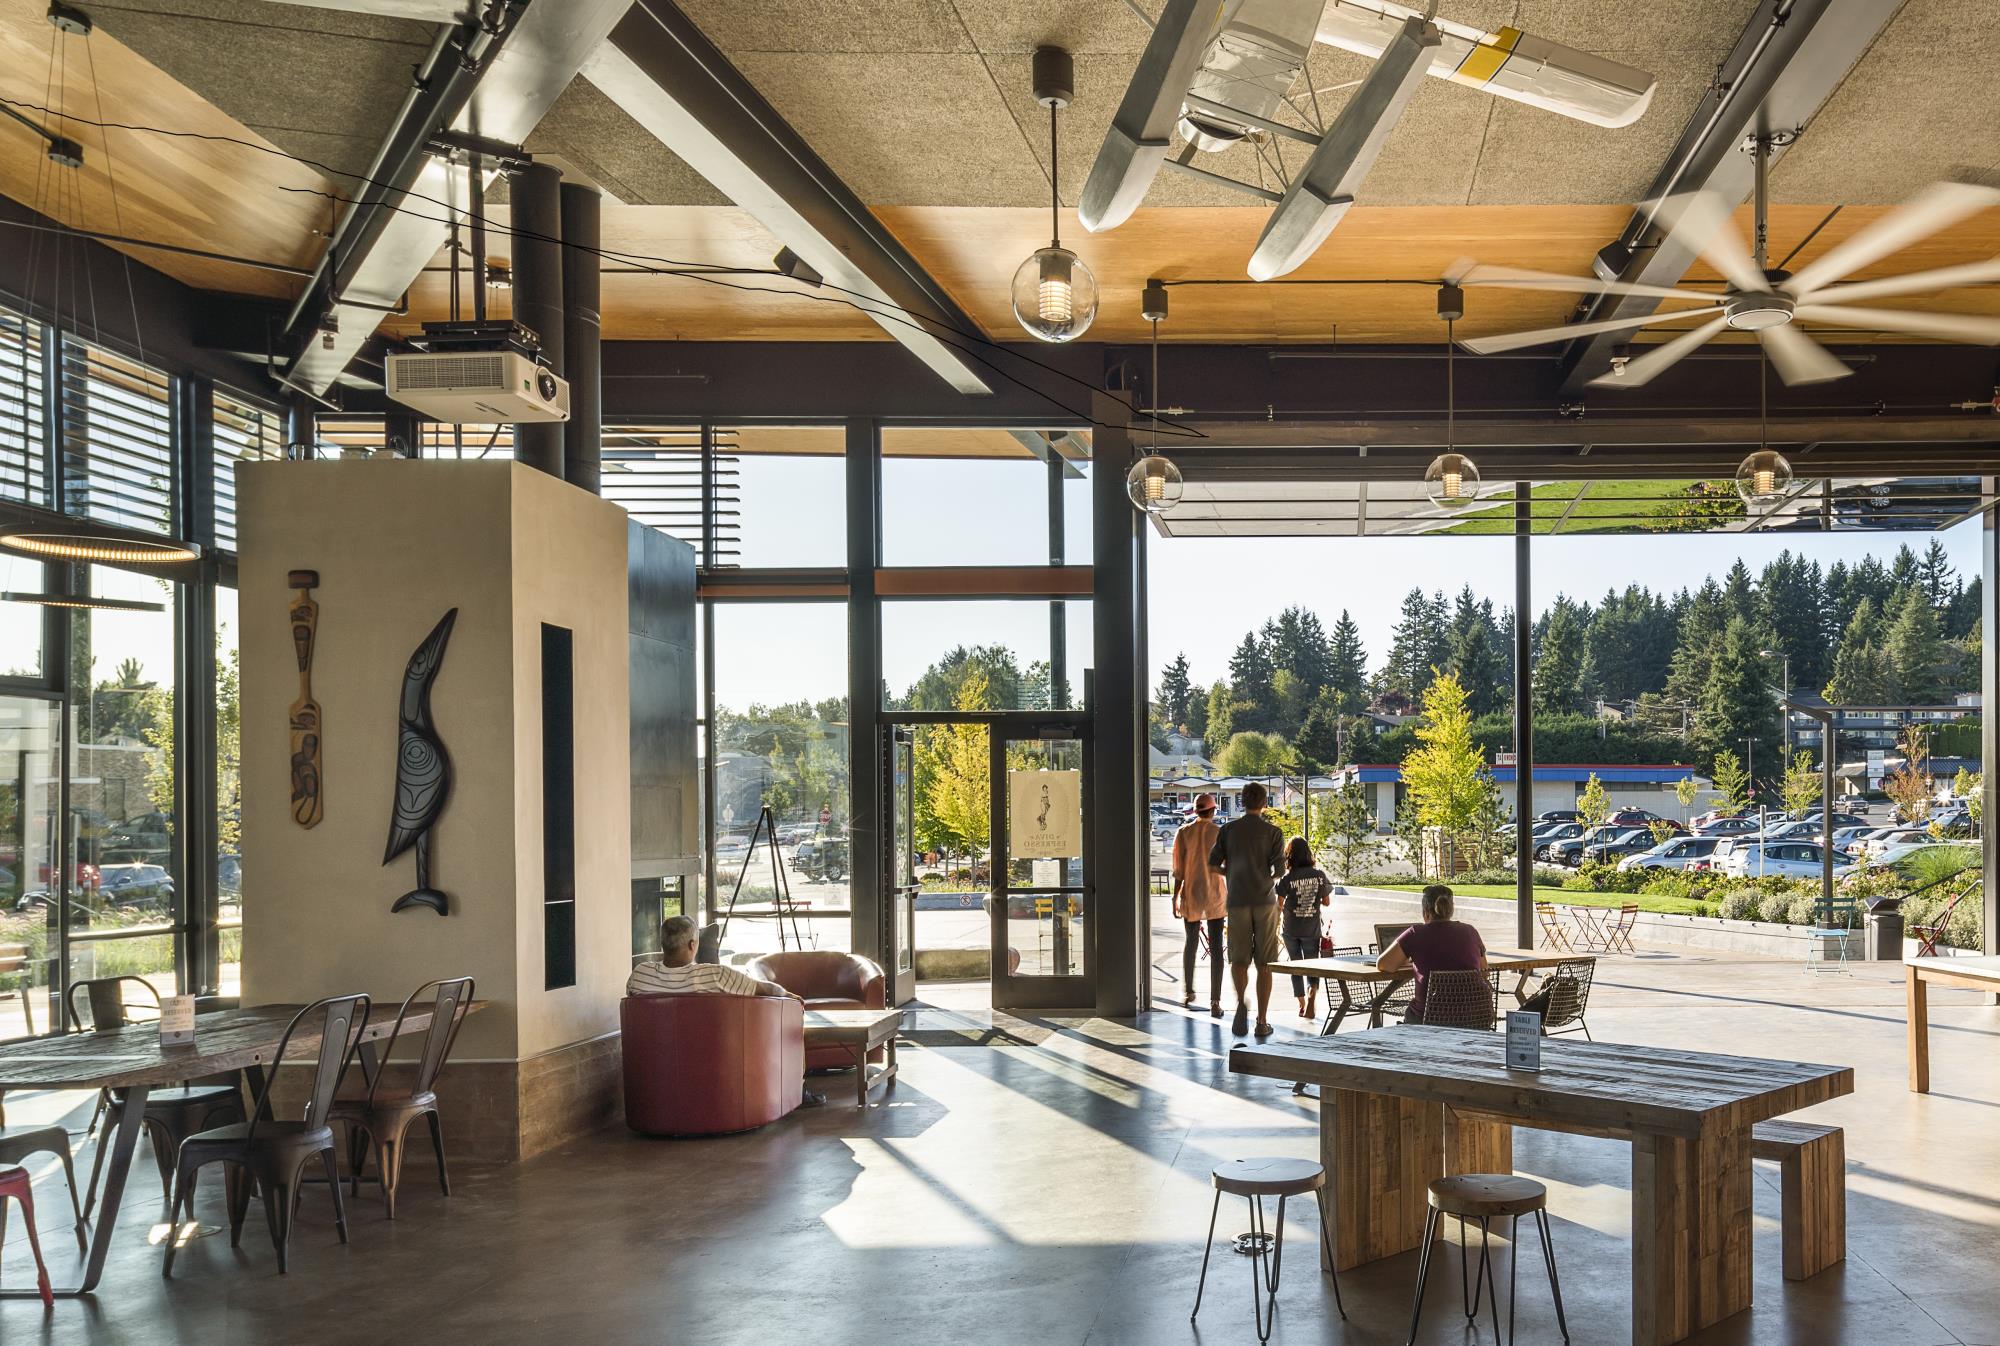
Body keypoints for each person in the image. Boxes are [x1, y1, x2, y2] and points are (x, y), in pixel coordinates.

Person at [628, 915, 825, 1105]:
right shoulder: (714, 975)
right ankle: (797, 1089)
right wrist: (788, 996)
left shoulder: (640, 976)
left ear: (662, 944)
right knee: (787, 1015)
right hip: (713, 1062)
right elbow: (764, 989)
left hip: (658, 1069)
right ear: (692, 945)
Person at [1209, 780, 1285, 1037]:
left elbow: (1212, 865)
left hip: (1237, 901)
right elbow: (1280, 871)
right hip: (1264, 901)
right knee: (1265, 964)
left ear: (1242, 802)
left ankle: (1241, 1001)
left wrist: (1230, 873)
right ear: (1265, 803)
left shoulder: (1228, 830)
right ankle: (1262, 1021)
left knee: (1239, 960)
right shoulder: (1273, 832)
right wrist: (1263, 878)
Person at [1375, 884, 1488, 1023]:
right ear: (1451, 910)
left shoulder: (1415, 933)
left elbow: (1384, 965)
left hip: (1431, 1018)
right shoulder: (1470, 931)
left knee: (1410, 1012)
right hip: (1477, 1016)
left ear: (1425, 911)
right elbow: (1484, 969)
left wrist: (1407, 960)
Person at [1171, 793, 1227, 1016]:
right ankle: (1215, 1001)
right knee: (1216, 949)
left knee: (1190, 943)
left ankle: (1188, 991)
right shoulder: (1220, 832)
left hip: (1191, 893)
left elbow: (1178, 870)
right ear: (1213, 810)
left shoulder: (1184, 833)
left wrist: (1175, 897)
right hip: (1214, 893)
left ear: (1195, 811)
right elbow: (1228, 865)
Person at [1276, 837, 1331, 1020]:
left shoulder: (1287, 878)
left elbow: (1279, 905)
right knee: (1313, 965)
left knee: (1296, 966)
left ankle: (1302, 1005)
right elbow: (1326, 902)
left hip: (1290, 929)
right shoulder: (1319, 875)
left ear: (1289, 856)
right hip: (1312, 928)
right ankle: (1312, 996)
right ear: (1308, 854)